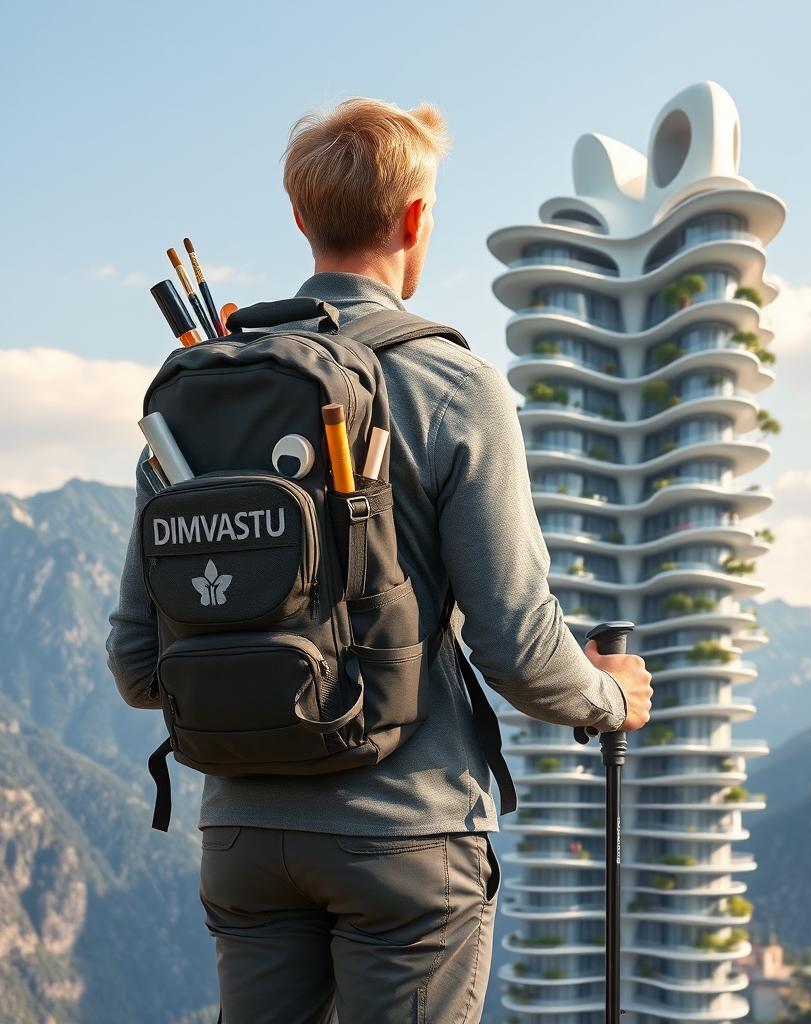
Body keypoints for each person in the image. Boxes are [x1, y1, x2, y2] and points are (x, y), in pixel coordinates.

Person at [106, 96, 653, 1024]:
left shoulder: (205, 392)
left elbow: (136, 663)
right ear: (414, 219)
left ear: (300, 218)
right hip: (407, 837)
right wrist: (610, 698)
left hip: (244, 835)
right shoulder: (454, 386)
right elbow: (516, 643)